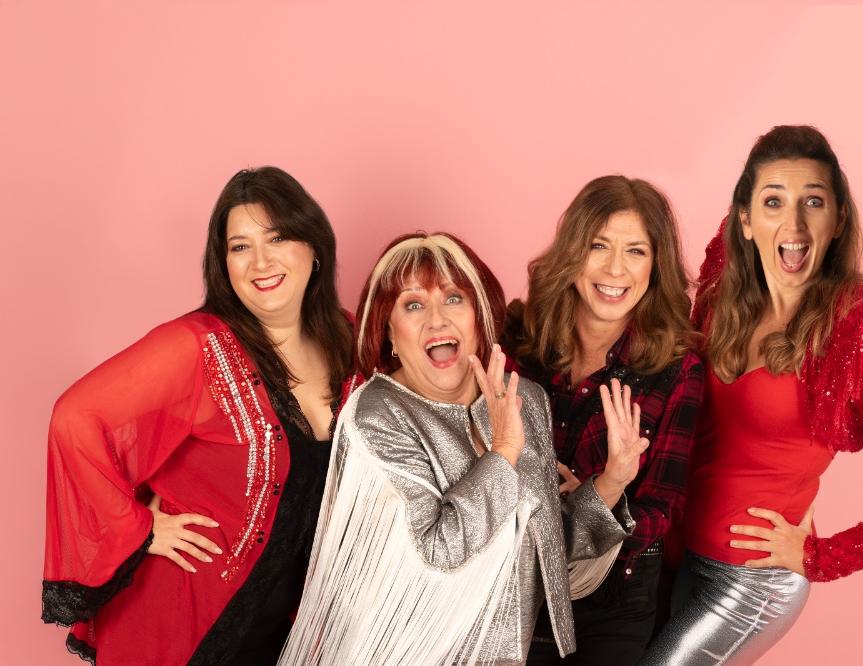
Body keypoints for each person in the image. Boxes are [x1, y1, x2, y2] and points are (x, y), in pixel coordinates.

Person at [642, 125, 863, 665]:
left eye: (813, 201)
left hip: (751, 583)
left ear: (838, 219)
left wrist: (822, 557)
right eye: (773, 202)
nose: (793, 224)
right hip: (676, 552)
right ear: (746, 220)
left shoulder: (861, 330)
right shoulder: (723, 297)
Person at [279, 232, 645, 665]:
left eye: (454, 299)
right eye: (413, 305)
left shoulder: (522, 399)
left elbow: (541, 548)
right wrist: (503, 452)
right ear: (389, 331)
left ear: (479, 317)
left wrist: (613, 480)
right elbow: (438, 551)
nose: (437, 319)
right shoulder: (377, 415)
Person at [41, 166, 356, 665]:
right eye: (240, 246)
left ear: (314, 247)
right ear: (223, 264)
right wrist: (139, 527)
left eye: (277, 238)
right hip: (179, 618)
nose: (261, 261)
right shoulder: (197, 346)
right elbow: (75, 419)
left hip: (283, 630)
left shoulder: (350, 341)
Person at [502, 176, 704, 666]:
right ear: (572, 252)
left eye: (636, 251)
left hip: (616, 600)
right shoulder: (520, 341)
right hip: (517, 581)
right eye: (599, 245)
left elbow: (660, 511)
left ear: (656, 265)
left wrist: (602, 498)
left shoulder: (678, 370)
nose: (615, 268)